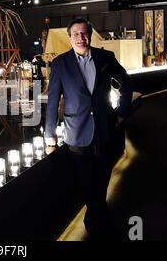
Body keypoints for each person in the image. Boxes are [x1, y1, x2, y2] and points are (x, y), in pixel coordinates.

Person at [44, 18, 132, 239]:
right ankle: (101, 221)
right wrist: (50, 136)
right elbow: (53, 101)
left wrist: (121, 112)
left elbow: (126, 82)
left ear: (90, 35)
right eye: (76, 34)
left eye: (84, 33)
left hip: (105, 129)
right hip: (76, 132)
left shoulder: (105, 58)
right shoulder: (60, 64)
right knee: (86, 181)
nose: (80, 38)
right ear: (69, 37)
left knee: (102, 177)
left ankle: (93, 219)